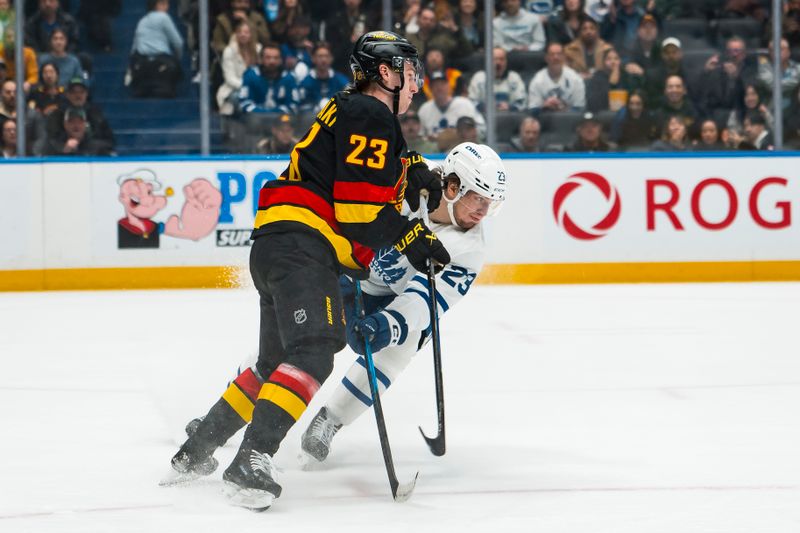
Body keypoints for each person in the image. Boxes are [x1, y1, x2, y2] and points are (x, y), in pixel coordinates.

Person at [163, 31, 450, 511]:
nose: (416, 83)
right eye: (409, 71)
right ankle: (252, 458)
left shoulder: (357, 113)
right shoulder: (370, 113)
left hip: (281, 243)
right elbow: (358, 212)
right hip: (303, 244)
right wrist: (411, 236)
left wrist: (410, 165)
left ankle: (198, 449)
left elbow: (360, 173)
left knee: (275, 366)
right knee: (316, 348)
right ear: (386, 73)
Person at [298, 142, 508, 465]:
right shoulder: (408, 183)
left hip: (391, 295)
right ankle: (243, 405)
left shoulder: (470, 249)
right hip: (348, 266)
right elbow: (350, 211)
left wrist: (385, 326)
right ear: (453, 187)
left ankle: (331, 418)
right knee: (303, 334)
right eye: (477, 198)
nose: (482, 212)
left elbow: (426, 301)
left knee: (404, 342)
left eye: (490, 204)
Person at [129, 0, 185, 98]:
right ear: (157, 4)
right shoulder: (163, 17)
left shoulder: (142, 20)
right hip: (162, 64)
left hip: (142, 64)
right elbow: (178, 42)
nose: (167, 7)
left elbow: (134, 48)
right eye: (164, 3)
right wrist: (177, 58)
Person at [418, 70, 485, 140]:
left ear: (449, 86)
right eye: (435, 85)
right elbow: (419, 137)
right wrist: (427, 139)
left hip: (462, 147)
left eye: (442, 84)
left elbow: (482, 129)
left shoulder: (465, 104)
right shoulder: (424, 109)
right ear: (430, 89)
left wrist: (464, 135)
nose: (439, 88)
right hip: (434, 149)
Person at [237, 43, 299, 114]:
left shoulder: (289, 78)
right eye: (268, 57)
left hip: (281, 120)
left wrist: (273, 113)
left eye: (276, 58)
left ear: (281, 60)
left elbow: (293, 105)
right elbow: (244, 102)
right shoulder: (251, 75)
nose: (272, 61)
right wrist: (263, 113)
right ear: (261, 59)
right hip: (255, 119)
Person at [216, 18, 261, 115]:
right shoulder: (229, 51)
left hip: (256, 88)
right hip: (233, 90)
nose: (243, 35)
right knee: (239, 97)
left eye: (246, 32)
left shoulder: (259, 50)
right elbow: (230, 79)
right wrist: (248, 87)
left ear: (251, 35)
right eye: (240, 32)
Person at [527, 42, 586, 114]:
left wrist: (564, 109)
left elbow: (580, 108)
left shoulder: (575, 79)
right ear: (546, 58)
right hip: (546, 120)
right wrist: (544, 106)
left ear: (564, 57)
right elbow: (532, 111)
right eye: (552, 54)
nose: (556, 57)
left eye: (559, 54)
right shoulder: (537, 81)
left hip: (570, 120)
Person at [467, 46, 527, 113]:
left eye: (501, 59)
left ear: (506, 62)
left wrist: (510, 107)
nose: (498, 63)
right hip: (485, 118)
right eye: (494, 59)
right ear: (488, 61)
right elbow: (471, 102)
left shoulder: (514, 77)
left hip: (508, 118)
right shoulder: (478, 78)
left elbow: (522, 103)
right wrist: (484, 107)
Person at [298, 41, 349, 113]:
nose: (323, 60)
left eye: (326, 56)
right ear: (313, 58)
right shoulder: (306, 83)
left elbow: (350, 104)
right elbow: (301, 108)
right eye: (320, 56)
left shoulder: (342, 81)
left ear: (331, 58)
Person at [586, 47, 642, 112]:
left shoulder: (626, 75)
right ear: (603, 62)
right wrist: (611, 84)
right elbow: (593, 103)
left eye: (616, 58)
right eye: (608, 59)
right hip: (604, 112)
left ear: (620, 61)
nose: (613, 62)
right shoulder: (598, 77)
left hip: (627, 112)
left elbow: (635, 96)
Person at [42, 106, 113, 155]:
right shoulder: (54, 144)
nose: (76, 125)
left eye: (79, 122)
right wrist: (64, 150)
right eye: (71, 122)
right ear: (65, 124)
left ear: (85, 124)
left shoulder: (97, 146)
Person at [0, 27, 39, 93]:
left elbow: (33, 76)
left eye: (15, 37)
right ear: (3, 40)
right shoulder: (0, 50)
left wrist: (28, 83)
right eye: (8, 37)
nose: (12, 40)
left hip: (21, 86)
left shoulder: (29, 53)